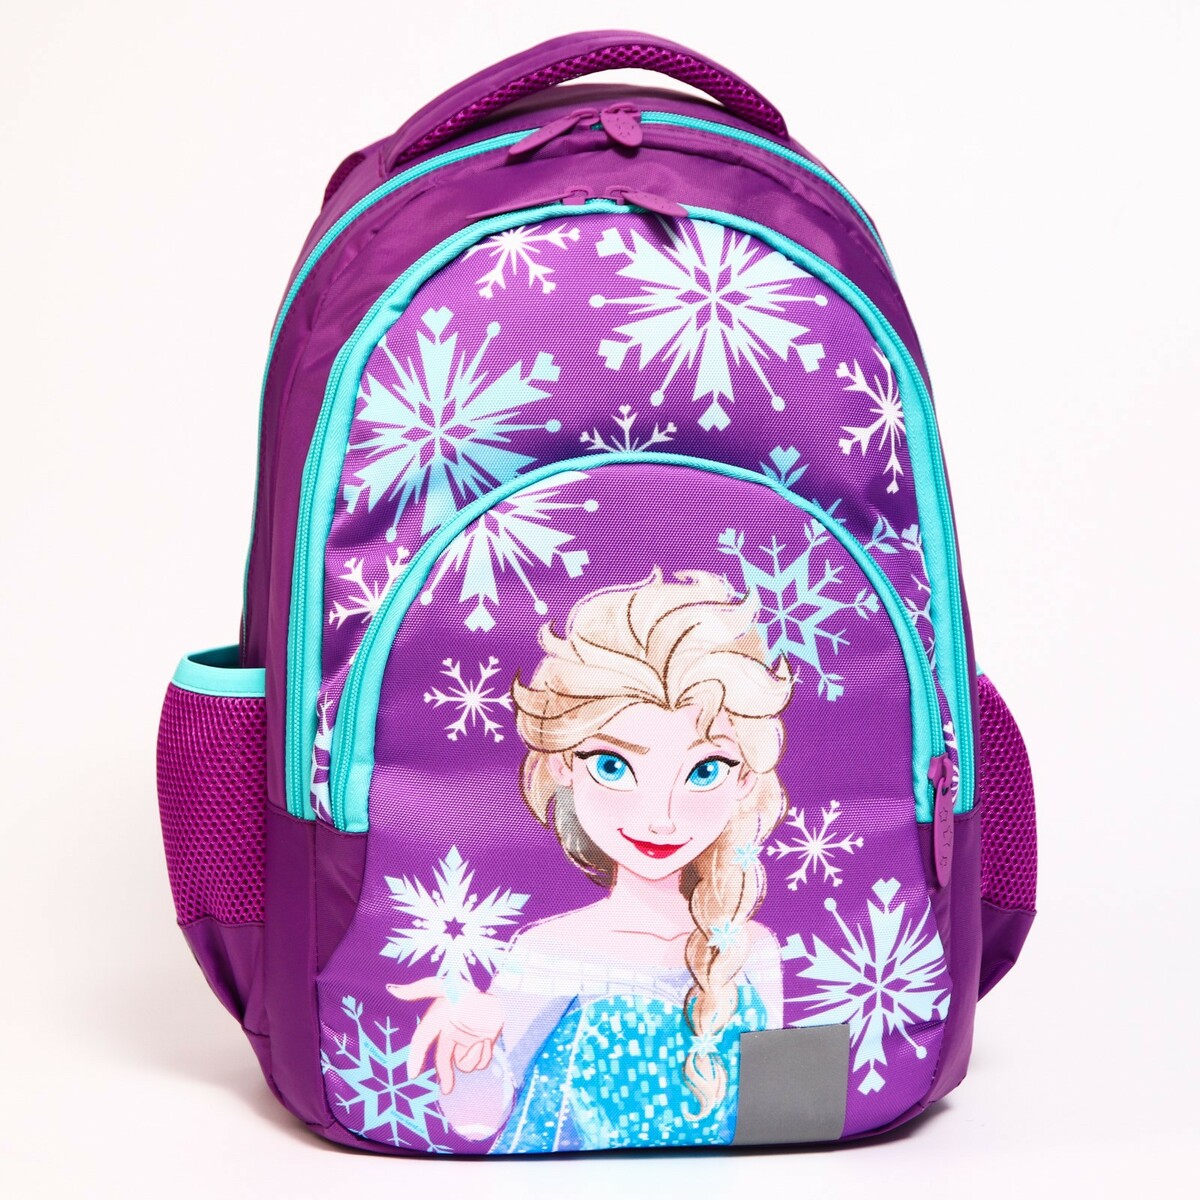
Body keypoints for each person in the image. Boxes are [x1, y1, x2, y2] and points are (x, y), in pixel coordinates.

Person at [388, 567, 794, 1150]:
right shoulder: (551, 950)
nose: (661, 818)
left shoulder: (754, 950)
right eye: (613, 765)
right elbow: (476, 1124)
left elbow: (778, 1126)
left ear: (746, 779)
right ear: (562, 763)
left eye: (705, 770)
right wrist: (472, 1050)